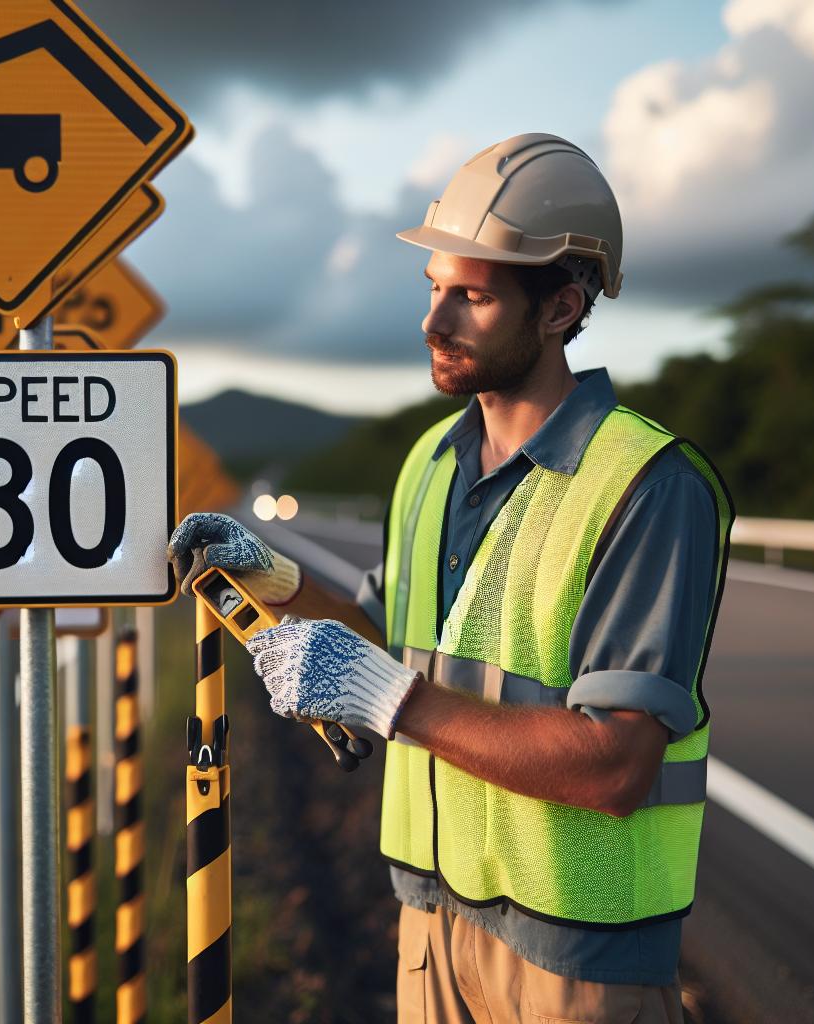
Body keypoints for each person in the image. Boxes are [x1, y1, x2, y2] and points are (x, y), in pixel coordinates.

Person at [169, 133, 734, 1023]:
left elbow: (617, 765)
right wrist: (270, 577)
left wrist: (395, 703)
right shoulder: (430, 462)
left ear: (560, 308)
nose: (434, 323)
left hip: (576, 958)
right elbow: (387, 650)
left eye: (470, 296)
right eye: (434, 290)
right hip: (430, 927)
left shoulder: (646, 485)